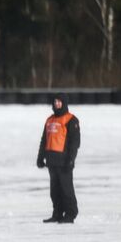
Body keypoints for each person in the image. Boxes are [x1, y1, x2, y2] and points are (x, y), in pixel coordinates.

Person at [36, 94, 80, 223]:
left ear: (64, 103)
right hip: (51, 161)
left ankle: (70, 214)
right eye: (55, 102)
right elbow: (44, 140)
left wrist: (71, 159)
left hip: (64, 162)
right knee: (54, 191)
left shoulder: (71, 120)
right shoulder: (49, 120)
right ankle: (58, 214)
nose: (57, 104)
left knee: (66, 190)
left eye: (59, 102)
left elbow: (75, 143)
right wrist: (40, 157)